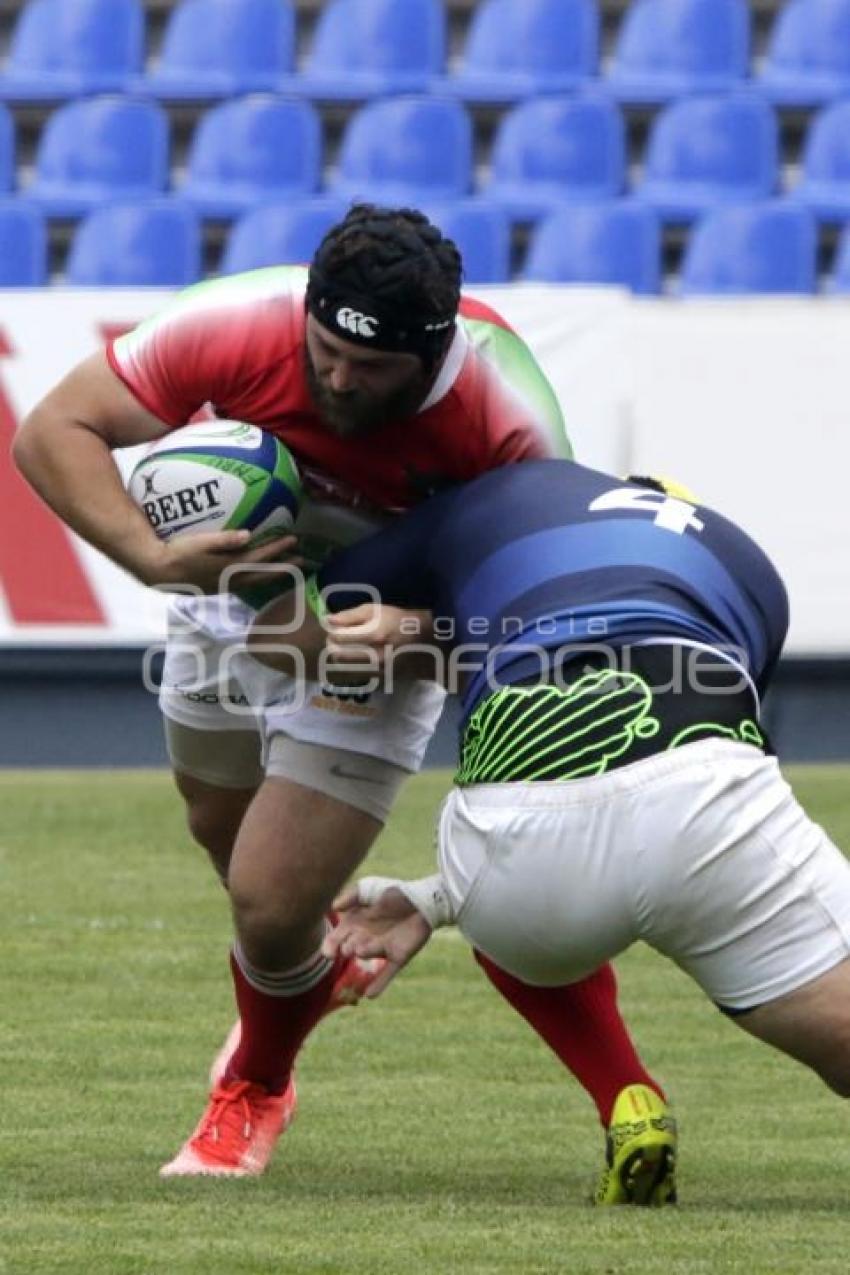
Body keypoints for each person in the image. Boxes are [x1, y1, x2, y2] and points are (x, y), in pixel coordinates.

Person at [13, 205, 669, 1198]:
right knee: (219, 834)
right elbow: (53, 429)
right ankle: (300, 974)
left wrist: (412, 635)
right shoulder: (234, 322)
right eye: (323, 352)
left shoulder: (507, 415)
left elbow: (538, 597)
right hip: (233, 600)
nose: (338, 379)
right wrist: (152, 557)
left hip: (379, 633)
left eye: (372, 371)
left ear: (432, 355)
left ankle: (256, 1082)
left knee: (265, 904)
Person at [249, 460, 850, 1199]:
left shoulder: (502, 490)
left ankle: (625, 1094)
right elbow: (673, 742)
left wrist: (449, 896)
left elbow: (307, 620)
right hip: (706, 806)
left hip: (513, 862)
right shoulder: (749, 563)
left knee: (520, 909)